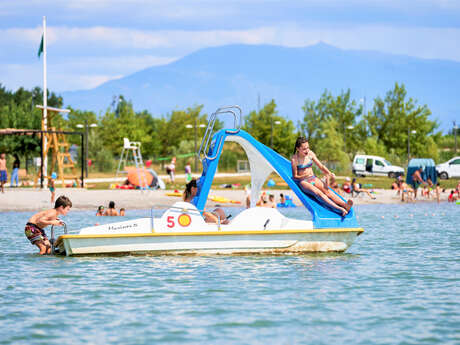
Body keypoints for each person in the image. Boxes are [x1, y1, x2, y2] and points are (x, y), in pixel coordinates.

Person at [291, 137, 352, 216]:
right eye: (304, 149)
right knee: (319, 193)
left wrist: (329, 173)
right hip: (303, 182)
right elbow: (295, 176)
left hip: (313, 178)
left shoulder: (310, 154)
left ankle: (345, 205)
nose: (307, 150)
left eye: (308, 148)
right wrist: (304, 175)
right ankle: (339, 209)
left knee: (327, 191)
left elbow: (321, 166)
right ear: (298, 148)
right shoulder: (294, 159)